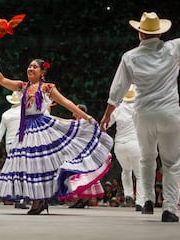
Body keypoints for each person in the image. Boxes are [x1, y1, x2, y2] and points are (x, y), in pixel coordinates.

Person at [0, 57, 113, 215]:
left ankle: (38, 202)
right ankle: (38, 200)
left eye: (35, 67)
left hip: (41, 126)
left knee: (39, 164)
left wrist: (86, 117)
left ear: (42, 72)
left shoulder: (47, 88)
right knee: (27, 165)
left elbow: (65, 102)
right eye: (29, 66)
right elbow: (2, 80)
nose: (31, 69)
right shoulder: (21, 86)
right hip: (25, 129)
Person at [100, 12, 180, 222]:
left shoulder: (130, 56)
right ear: (161, 33)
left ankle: (146, 201)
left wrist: (107, 116)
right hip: (170, 113)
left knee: (146, 158)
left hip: (143, 113)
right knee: (171, 163)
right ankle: (170, 209)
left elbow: (117, 90)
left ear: (140, 33)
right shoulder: (174, 48)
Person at [107, 85, 144, 211]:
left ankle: (128, 195)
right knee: (139, 175)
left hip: (119, 145)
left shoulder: (118, 108)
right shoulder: (139, 108)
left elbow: (107, 123)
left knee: (126, 170)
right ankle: (140, 201)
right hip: (135, 144)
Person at [0, 91, 28, 209]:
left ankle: (17, 197)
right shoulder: (26, 111)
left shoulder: (6, 114)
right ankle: (21, 199)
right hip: (23, 143)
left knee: (14, 171)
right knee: (23, 171)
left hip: (10, 145)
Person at [69, 104, 105, 208]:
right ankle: (82, 199)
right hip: (84, 149)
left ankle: (80, 199)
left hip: (80, 150)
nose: (72, 109)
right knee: (84, 173)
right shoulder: (85, 121)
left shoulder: (80, 122)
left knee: (79, 173)